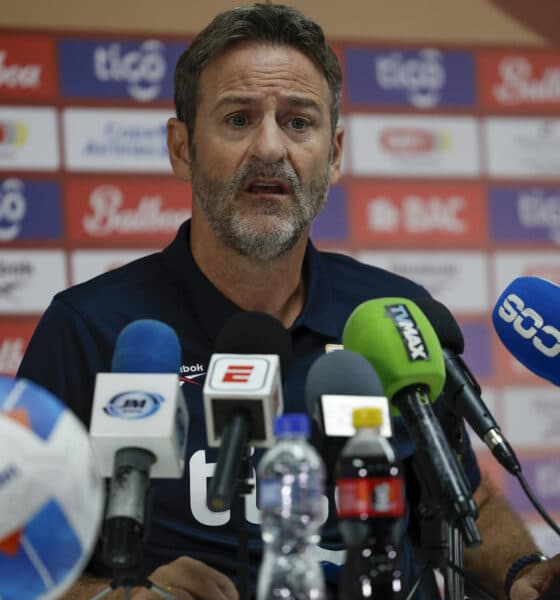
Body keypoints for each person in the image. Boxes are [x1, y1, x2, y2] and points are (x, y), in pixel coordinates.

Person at [17, 4, 560, 600]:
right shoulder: (91, 330)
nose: (270, 147)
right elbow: (17, 557)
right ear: (181, 148)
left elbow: (467, 498)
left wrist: (521, 572)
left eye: (299, 122)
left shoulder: (394, 314)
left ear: (333, 154)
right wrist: (119, 596)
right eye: (239, 118)